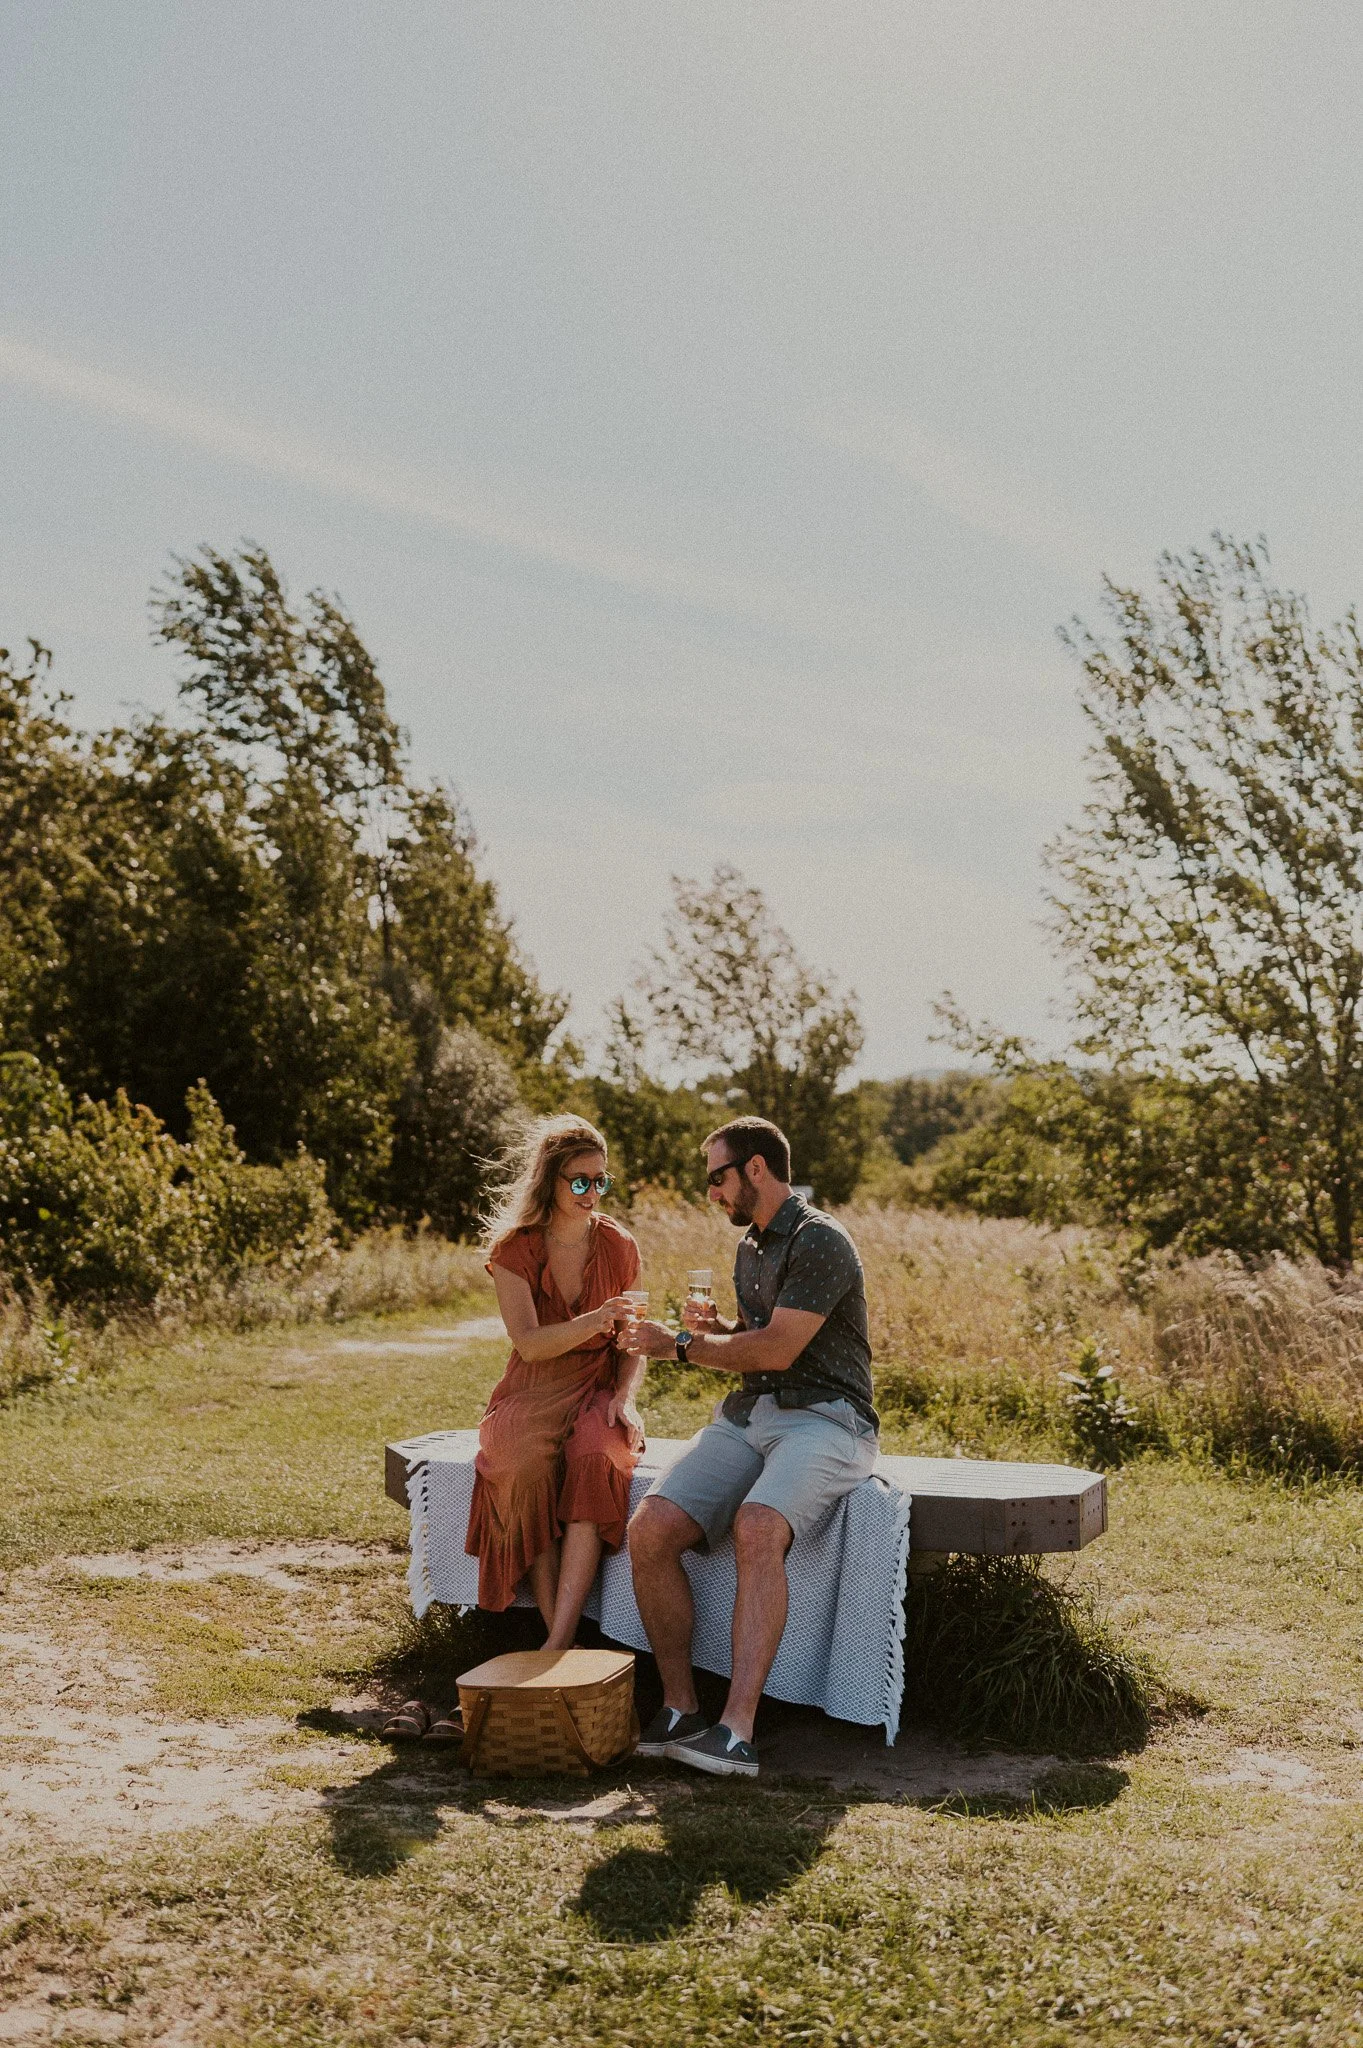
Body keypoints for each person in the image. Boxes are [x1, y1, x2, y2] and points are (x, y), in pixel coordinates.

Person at [626, 1116, 878, 1778]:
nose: (710, 1192)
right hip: (751, 1412)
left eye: (717, 1177)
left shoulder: (819, 1240)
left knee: (757, 1524)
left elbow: (779, 1348)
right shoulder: (751, 1247)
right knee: (650, 1528)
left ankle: (736, 1733)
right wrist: (720, 1331)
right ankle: (681, 1711)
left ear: (756, 1169)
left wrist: (681, 1344)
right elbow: (756, 1340)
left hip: (826, 1418)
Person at [466, 1114, 645, 1642]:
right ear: (551, 1180)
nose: (593, 1193)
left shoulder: (620, 1245)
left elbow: (632, 1341)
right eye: (581, 1181)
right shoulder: (515, 1249)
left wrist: (625, 1397)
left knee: (596, 1456)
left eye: (601, 1180)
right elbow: (530, 1342)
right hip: (534, 1384)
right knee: (522, 1464)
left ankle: (557, 1642)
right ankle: (557, 1638)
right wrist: (595, 1319)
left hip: (599, 1385)